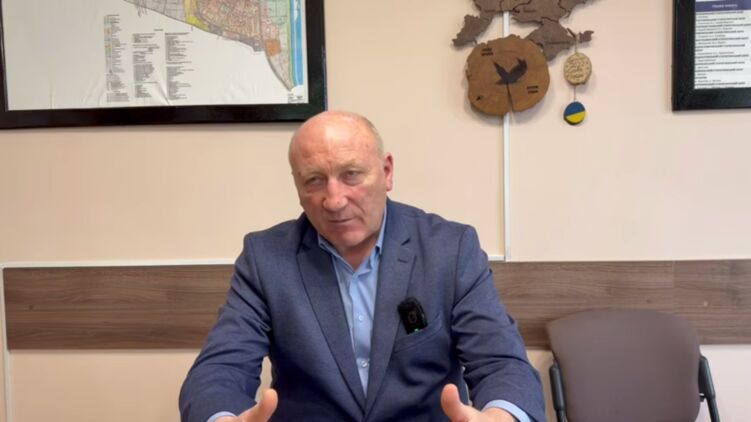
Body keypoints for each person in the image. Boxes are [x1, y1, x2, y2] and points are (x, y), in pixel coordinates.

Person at [179, 111, 545, 422]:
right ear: (297, 186)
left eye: (351, 174)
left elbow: (501, 362)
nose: (334, 200)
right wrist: (220, 417)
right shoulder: (265, 258)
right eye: (314, 180)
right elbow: (220, 368)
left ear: (386, 172)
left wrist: (502, 415)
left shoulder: (450, 249)